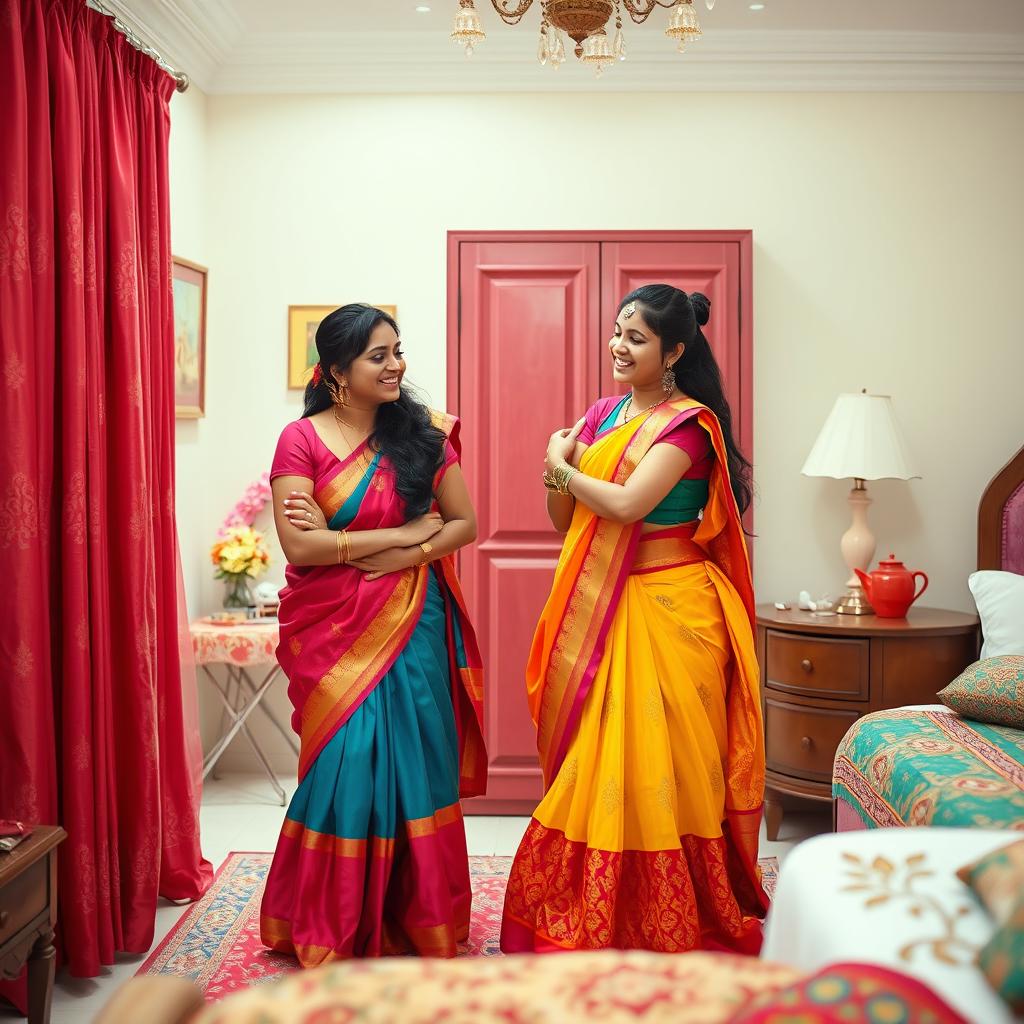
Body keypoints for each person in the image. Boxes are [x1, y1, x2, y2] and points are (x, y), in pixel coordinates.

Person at [500, 284, 768, 954]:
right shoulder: (602, 414)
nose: (619, 346)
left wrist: (558, 463)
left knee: (666, 762)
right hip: (605, 604)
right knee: (599, 757)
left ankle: (676, 911)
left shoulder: (688, 426)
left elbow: (625, 506)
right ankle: (592, 905)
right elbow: (569, 522)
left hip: (672, 607)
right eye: (618, 331)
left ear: (673, 351)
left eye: (637, 338)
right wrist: (555, 480)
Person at [260, 303, 486, 965]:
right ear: (337, 372)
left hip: (414, 619)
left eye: (397, 351)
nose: (397, 366)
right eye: (378, 356)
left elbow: (463, 524)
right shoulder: (299, 442)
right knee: (346, 763)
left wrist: (395, 556)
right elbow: (300, 546)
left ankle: (417, 918)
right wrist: (407, 533)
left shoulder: (424, 436)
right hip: (330, 630)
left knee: (417, 761)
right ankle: (332, 920)